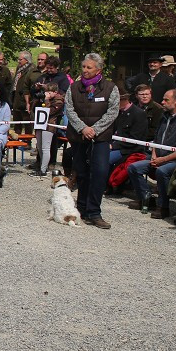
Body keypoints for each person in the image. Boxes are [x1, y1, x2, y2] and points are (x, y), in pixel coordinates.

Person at [63, 53, 120, 229]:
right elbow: (70, 110)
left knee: (100, 172)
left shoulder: (110, 88)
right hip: (79, 137)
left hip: (100, 138)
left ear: (99, 69)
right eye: (84, 67)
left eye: (89, 67)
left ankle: (95, 211)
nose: (85, 70)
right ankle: (82, 208)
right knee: (82, 172)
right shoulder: (74, 88)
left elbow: (112, 112)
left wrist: (95, 129)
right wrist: (83, 128)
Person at [126, 89, 176, 218]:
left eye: (166, 100)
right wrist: (154, 155)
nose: (162, 102)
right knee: (134, 168)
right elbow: (156, 138)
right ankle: (146, 197)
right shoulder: (164, 118)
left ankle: (163, 206)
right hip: (158, 157)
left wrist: (163, 159)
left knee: (162, 171)